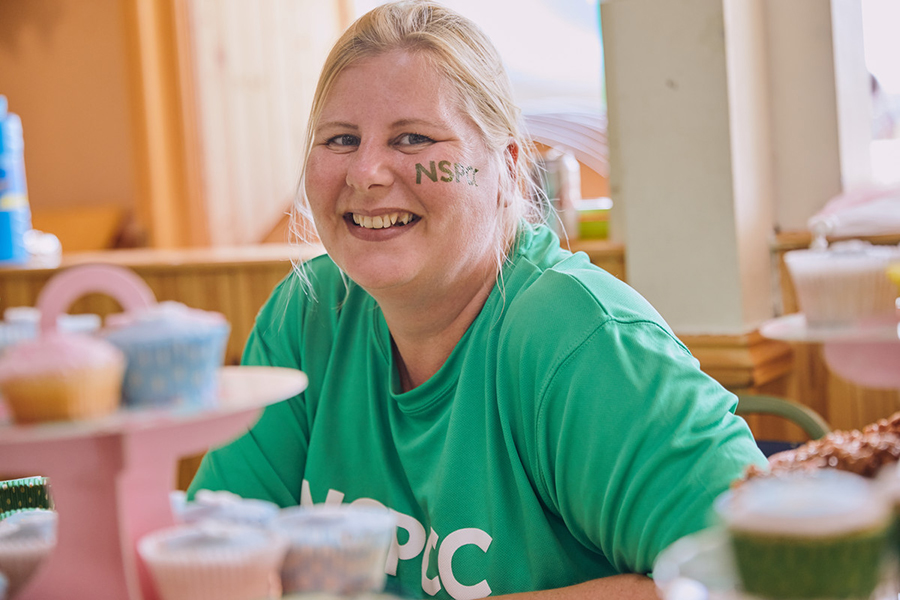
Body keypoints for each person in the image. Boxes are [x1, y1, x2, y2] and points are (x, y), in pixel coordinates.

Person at [188, 2, 767, 598]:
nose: (364, 173)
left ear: (511, 169)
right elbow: (212, 558)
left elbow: (763, 575)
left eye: (412, 137)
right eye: (340, 139)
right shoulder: (305, 316)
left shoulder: (580, 341)